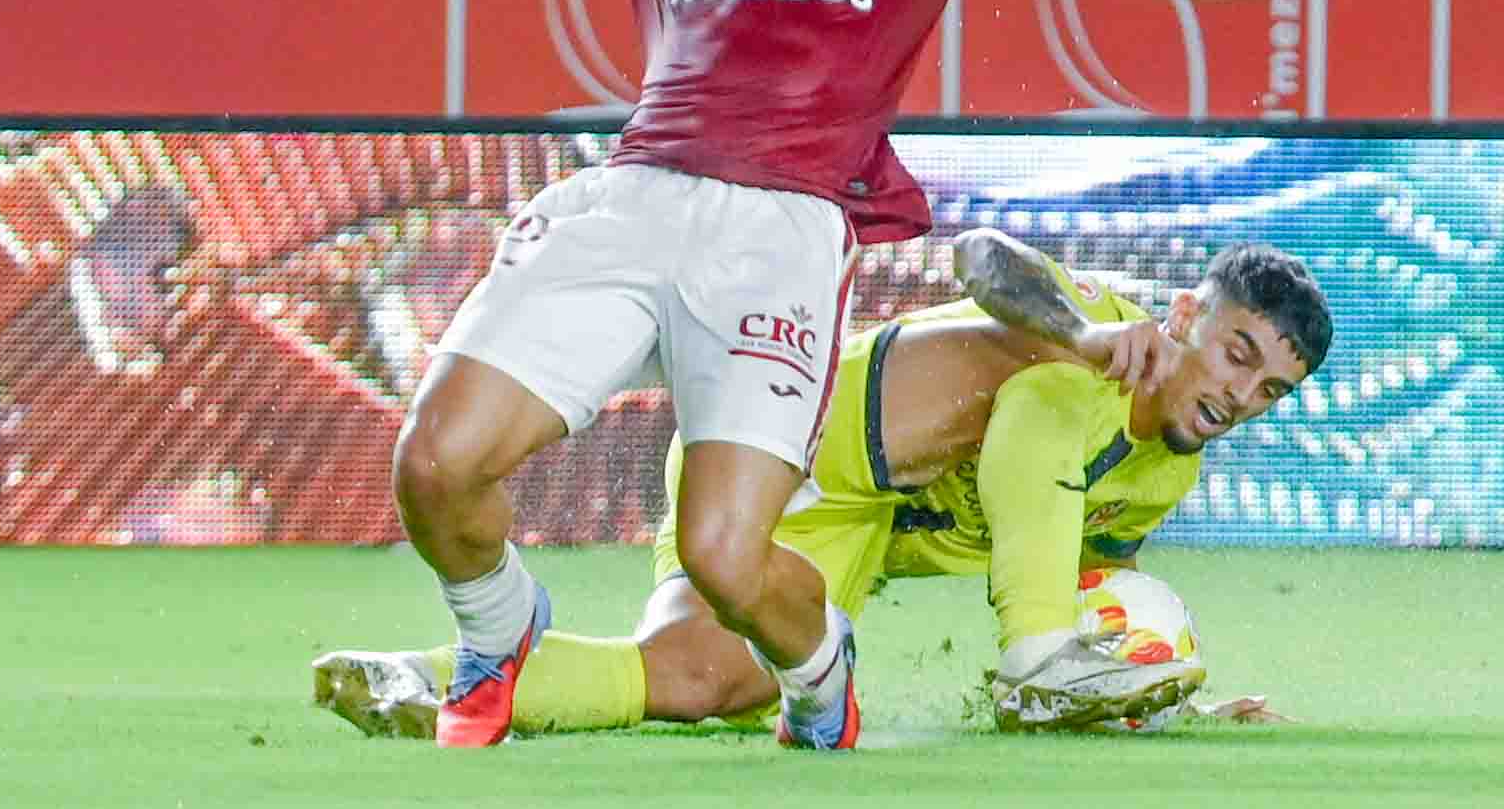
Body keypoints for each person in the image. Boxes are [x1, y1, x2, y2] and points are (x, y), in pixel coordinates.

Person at [398, 0, 1437, 749]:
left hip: (780, 238)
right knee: (435, 466)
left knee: (730, 561)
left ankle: (820, 667)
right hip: (633, 199)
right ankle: (494, 631)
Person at [318, 228, 1327, 737]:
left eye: (1270, 390)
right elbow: (980, 255)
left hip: (849, 531)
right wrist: (1080, 332)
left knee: (709, 681)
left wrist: (1165, 696)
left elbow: (1094, 575)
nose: (1240, 393)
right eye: (1236, 353)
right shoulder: (1100, 322)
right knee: (1064, 383)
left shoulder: (1164, 473)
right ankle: (1035, 659)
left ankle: (423, 681)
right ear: (1185, 314)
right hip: (777, 443)